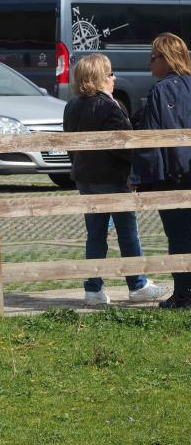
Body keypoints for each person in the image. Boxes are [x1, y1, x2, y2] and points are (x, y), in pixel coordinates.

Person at [63, 53, 165, 306]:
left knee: (95, 234)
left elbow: (69, 144)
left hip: (84, 178)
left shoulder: (72, 105)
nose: (114, 77)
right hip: (112, 177)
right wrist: (134, 171)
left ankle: (93, 289)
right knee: (128, 233)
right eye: (109, 73)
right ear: (99, 78)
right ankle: (137, 284)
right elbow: (124, 145)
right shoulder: (111, 106)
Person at [130, 33, 191, 308]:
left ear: (166, 59)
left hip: (174, 178)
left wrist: (140, 179)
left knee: (179, 236)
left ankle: (183, 294)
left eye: (152, 58)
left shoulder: (161, 91)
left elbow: (150, 140)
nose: (149, 64)